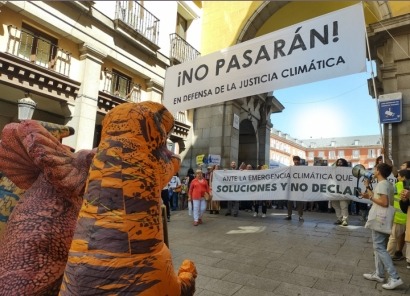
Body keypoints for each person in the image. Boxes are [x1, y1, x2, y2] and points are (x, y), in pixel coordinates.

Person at [361, 163, 403, 290]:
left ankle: (394, 277)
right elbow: (378, 197)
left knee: (379, 247)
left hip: (380, 219)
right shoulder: (387, 184)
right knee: (379, 247)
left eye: (375, 169)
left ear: (378, 171)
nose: (373, 170)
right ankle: (379, 274)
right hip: (384, 219)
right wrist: (368, 188)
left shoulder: (382, 184)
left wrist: (371, 197)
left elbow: (384, 203)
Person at [387, 169, 410, 260]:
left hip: (399, 216)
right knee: (408, 240)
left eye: (399, 176)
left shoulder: (397, 185)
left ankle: (388, 256)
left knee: (393, 238)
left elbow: (390, 198)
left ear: (404, 177)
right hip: (407, 217)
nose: (397, 177)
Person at [331, 158, 350, 226]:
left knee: (343, 205)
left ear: (344, 164)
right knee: (335, 205)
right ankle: (339, 219)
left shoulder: (348, 171)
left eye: (341, 162)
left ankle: (345, 220)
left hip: (344, 191)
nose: (339, 164)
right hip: (335, 191)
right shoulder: (334, 171)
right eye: (338, 162)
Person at [285, 156, 304, 221]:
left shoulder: (303, 168)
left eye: (297, 160)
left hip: (299, 188)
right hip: (292, 187)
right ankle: (289, 215)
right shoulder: (291, 168)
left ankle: (300, 216)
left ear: (299, 161)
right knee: (289, 202)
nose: (296, 161)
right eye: (295, 160)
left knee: (299, 203)